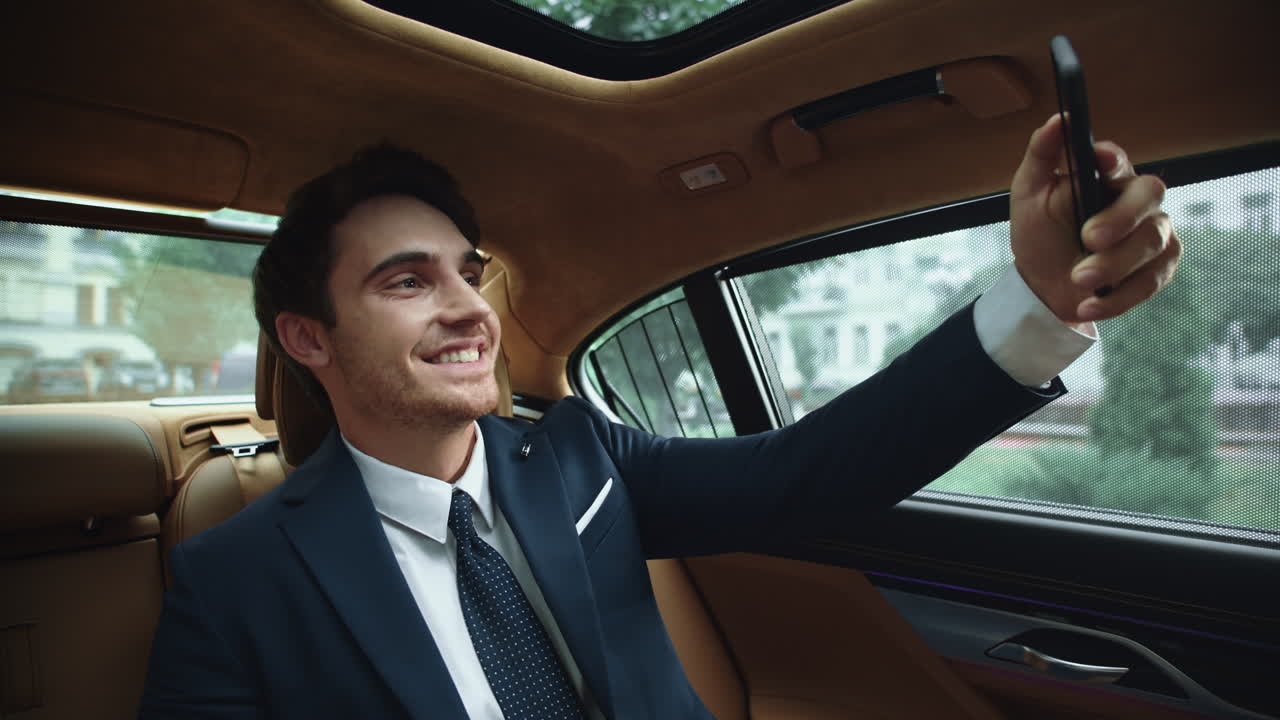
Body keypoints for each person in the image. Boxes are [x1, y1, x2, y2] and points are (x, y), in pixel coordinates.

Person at [139, 114, 1180, 719]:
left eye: (468, 272)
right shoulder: (232, 581)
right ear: (308, 338)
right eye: (408, 282)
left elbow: (807, 474)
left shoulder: (582, 454)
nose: (468, 308)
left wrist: (1038, 302)